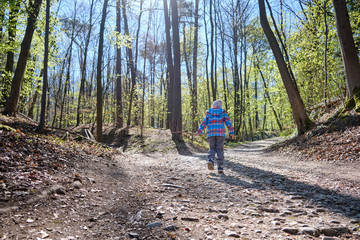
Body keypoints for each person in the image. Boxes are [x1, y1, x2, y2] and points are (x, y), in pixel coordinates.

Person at [195, 99, 235, 174]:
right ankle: (220, 167)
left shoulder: (209, 112)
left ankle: (211, 161)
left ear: (213, 106)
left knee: (212, 148)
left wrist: (199, 131)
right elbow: (228, 122)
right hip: (220, 134)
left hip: (211, 133)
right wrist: (231, 132)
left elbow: (204, 123)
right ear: (220, 106)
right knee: (219, 149)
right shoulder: (222, 112)